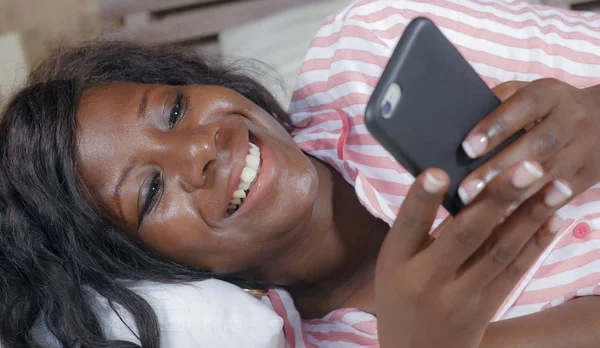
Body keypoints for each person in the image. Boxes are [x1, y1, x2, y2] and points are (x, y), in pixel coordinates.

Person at [1, 0, 600, 347]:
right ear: (155, 269)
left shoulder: (369, 46)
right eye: (151, 192)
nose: (200, 151)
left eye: (176, 108)